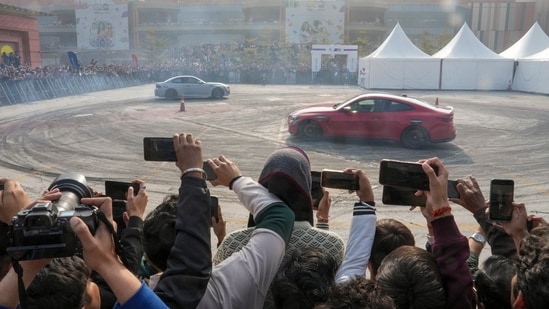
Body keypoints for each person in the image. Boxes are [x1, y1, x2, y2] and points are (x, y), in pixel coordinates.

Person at [213, 147, 345, 308]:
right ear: (305, 187)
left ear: (263, 186)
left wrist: (221, 239)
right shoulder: (334, 244)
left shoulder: (233, 242)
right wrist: (323, 221)